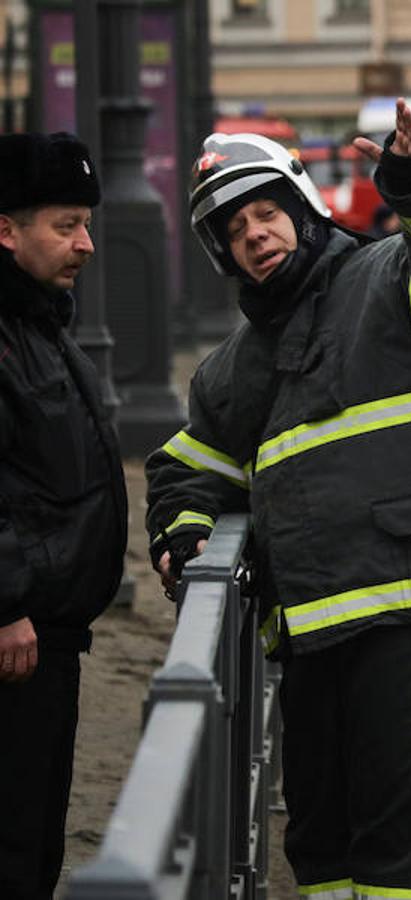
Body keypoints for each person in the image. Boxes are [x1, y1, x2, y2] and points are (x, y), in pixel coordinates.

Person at [144, 98, 411, 898]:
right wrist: (186, 535)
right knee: (324, 859)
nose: (254, 236)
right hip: (318, 658)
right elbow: (186, 468)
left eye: (264, 213)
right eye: (235, 231)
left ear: (302, 207)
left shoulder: (396, 278)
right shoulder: (235, 368)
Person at [0, 132, 128, 900]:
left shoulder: (39, 323)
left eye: (86, 224)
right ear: (6, 230)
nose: (84, 243)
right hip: (15, 642)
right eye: (65, 224)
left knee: (37, 839)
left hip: (48, 638)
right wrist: (7, 603)